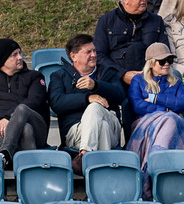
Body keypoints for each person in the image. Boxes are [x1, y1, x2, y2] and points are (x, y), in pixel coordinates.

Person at [94, 0, 168, 139]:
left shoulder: (156, 21)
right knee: (127, 102)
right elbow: (99, 55)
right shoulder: (106, 21)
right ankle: (130, 145)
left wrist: (148, 74)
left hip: (149, 78)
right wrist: (123, 74)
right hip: (116, 79)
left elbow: (163, 52)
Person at [49, 34, 125, 175]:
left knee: (95, 108)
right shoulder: (60, 76)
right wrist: (87, 98)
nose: (94, 55)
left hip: (112, 125)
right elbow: (57, 103)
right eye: (88, 52)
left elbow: (120, 95)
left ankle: (84, 154)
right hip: (76, 131)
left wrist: (96, 85)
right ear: (74, 56)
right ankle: (102, 174)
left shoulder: (107, 72)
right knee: (101, 125)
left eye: (94, 51)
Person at [126, 43, 184, 199]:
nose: (167, 64)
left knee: (170, 119)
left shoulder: (176, 80)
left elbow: (182, 103)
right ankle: (162, 170)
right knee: (168, 118)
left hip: (176, 123)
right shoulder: (138, 80)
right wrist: (166, 110)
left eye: (170, 60)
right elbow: (137, 105)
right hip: (146, 124)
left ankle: (152, 166)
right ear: (151, 63)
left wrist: (154, 98)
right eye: (162, 61)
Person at [0, 39, 50, 167]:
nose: (20, 57)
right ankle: (29, 168)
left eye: (20, 53)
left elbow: (36, 101)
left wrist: (7, 117)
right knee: (26, 129)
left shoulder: (35, 76)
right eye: (14, 55)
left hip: (37, 128)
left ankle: (5, 153)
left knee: (22, 108)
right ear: (2, 60)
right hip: (4, 132)